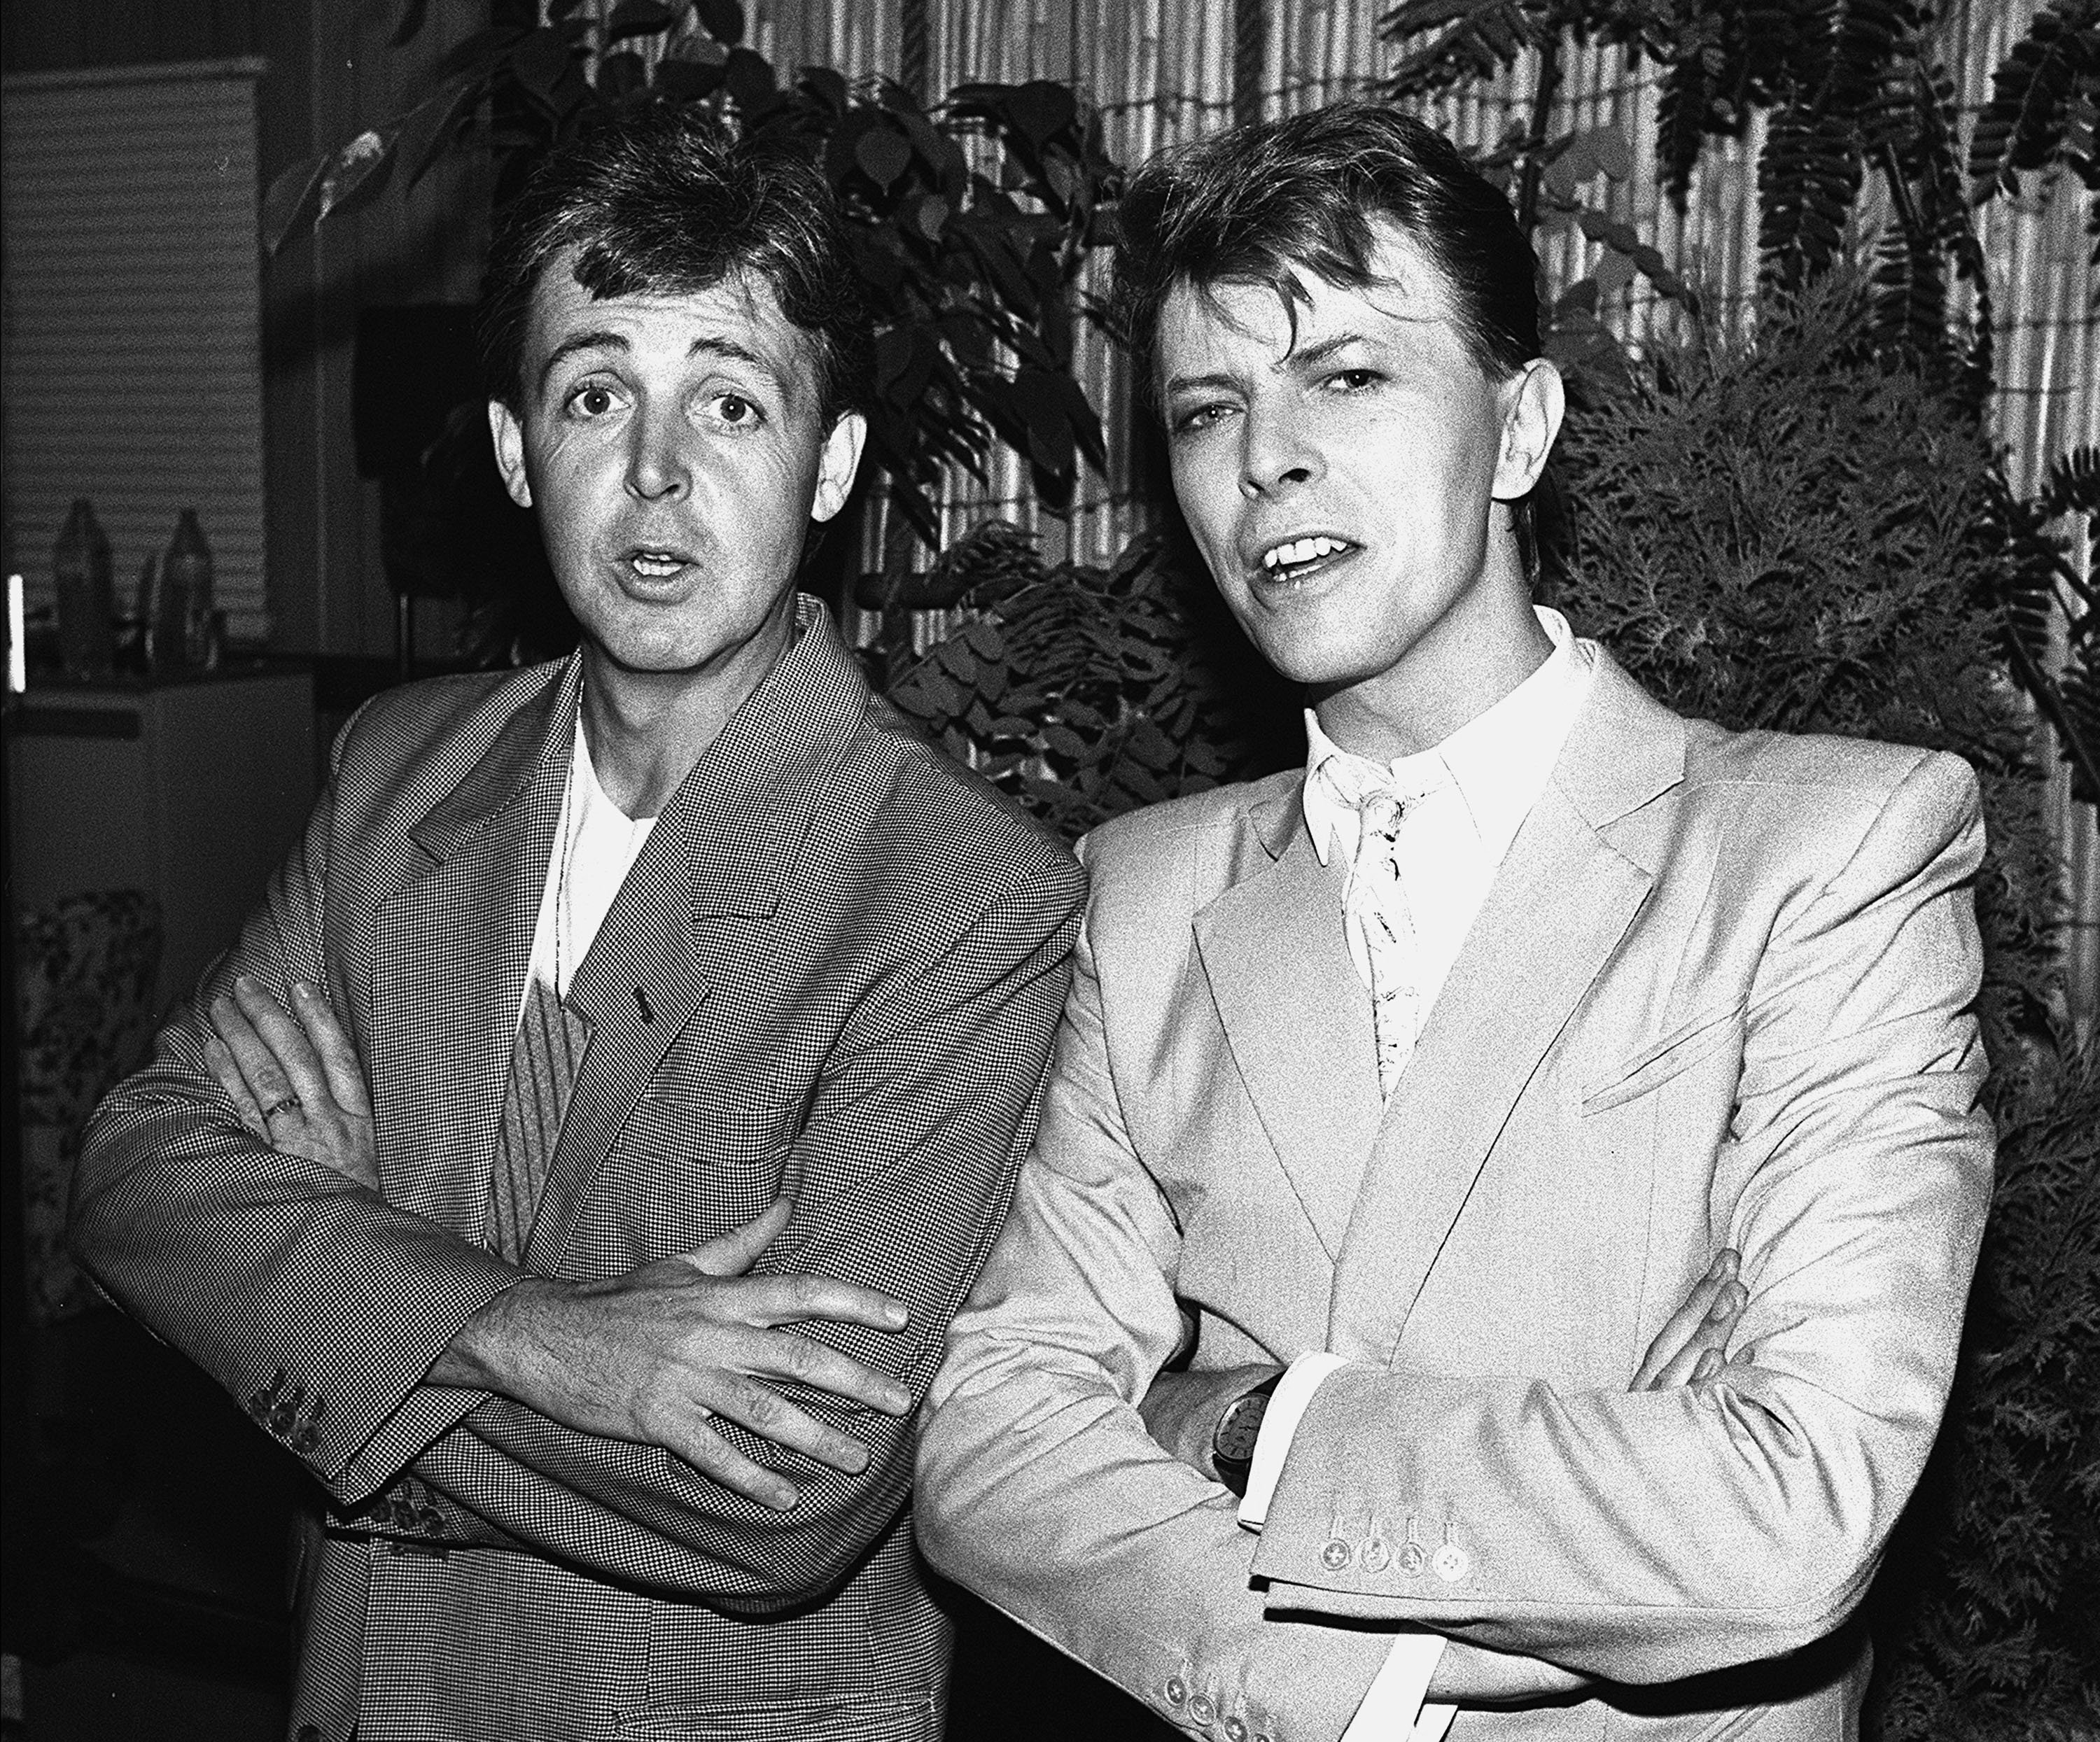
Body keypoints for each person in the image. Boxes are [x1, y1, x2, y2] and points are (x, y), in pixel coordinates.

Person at [915, 101, 1994, 1740]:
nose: (1266, 456)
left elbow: (1792, 1513)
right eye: (1209, 408)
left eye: (1347, 375)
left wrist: (1239, 1424)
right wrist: (1391, 1660)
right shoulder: (1143, 899)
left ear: (1523, 428)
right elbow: (993, 1444)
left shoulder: (1826, 855)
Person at [71, 107, 1084, 1742]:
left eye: (731, 402)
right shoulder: (398, 772)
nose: (657, 471)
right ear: (514, 449)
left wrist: (326, 1281)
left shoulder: (961, 895)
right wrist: (538, 1340)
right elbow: (133, 1178)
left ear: (830, 465)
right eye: (596, 394)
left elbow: (786, 1499)